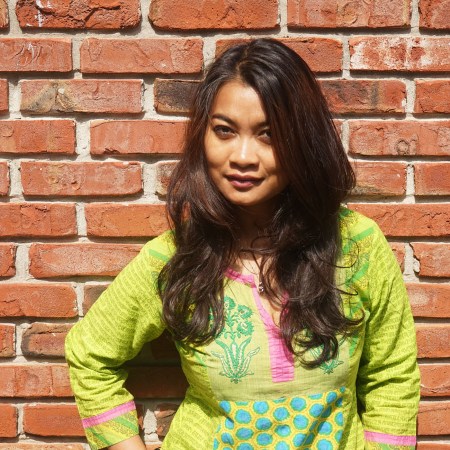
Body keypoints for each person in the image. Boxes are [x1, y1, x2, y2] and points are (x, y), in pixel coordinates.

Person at [65, 38, 420, 450]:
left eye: (269, 134)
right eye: (225, 131)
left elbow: (392, 378)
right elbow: (89, 356)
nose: (244, 157)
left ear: (302, 141)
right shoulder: (177, 257)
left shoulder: (356, 247)